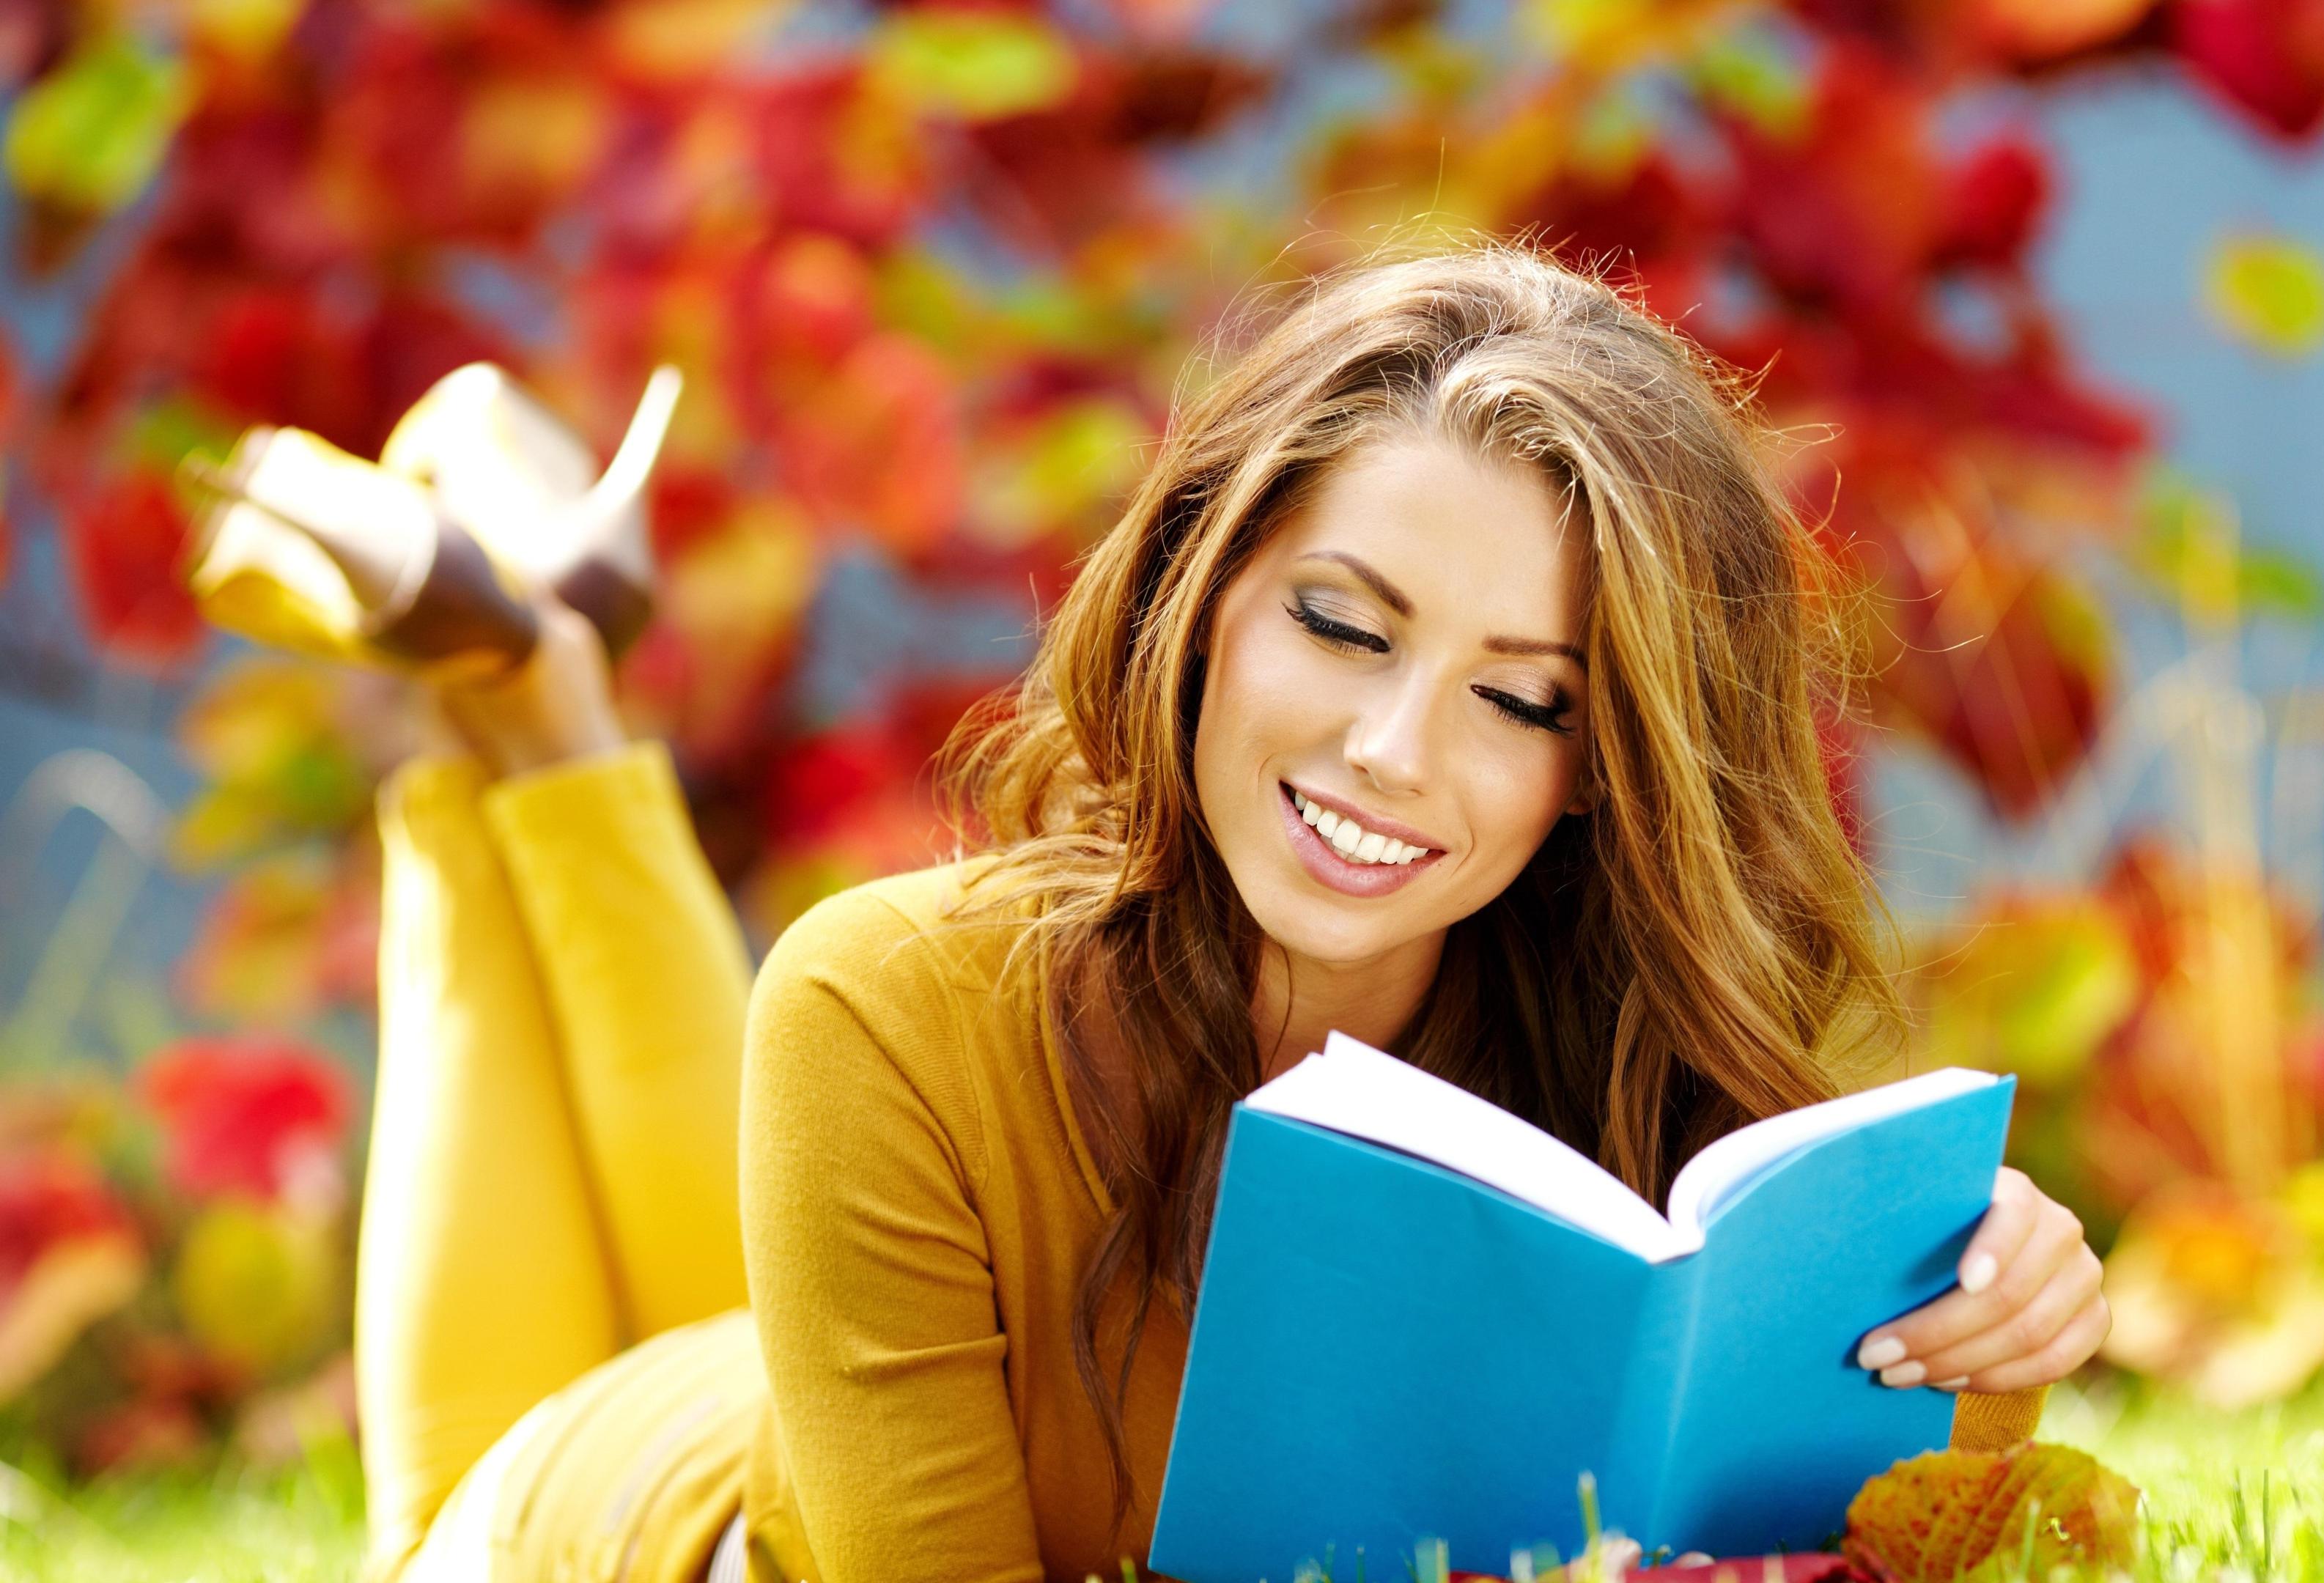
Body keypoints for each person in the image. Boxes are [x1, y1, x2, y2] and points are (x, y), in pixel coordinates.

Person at [332, 245, 2111, 1583]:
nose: (1393, 750)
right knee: (452, 1470)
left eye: (1527, 701)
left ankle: (533, 652)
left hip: (842, 1379)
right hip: (615, 1514)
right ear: (1203, 582)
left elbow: (1841, 1540)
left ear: (1609, 764)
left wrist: (1982, 1334)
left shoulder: (1639, 1077)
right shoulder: (896, 1001)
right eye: (1342, 624)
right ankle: (507, 707)